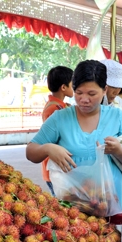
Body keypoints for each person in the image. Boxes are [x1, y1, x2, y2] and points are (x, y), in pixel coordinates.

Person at [26, 60, 122, 211]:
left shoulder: (117, 116)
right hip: (72, 212)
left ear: (104, 90)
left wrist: (119, 150)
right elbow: (31, 151)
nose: (84, 99)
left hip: (112, 205)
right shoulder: (60, 118)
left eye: (92, 94)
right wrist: (48, 148)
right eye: (78, 93)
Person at [41, 66, 74, 196]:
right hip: (55, 167)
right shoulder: (55, 109)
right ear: (64, 87)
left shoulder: (60, 106)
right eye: (73, 84)